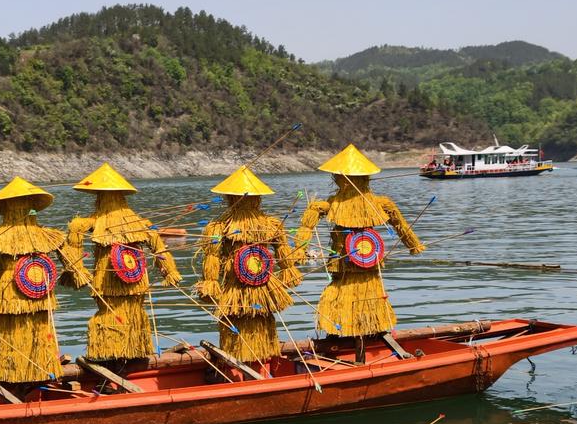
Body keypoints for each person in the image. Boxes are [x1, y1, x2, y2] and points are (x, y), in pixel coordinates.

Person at [0, 178, 88, 386]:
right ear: (33, 207)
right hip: (37, 289)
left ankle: (13, 371)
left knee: (11, 330)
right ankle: (41, 369)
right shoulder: (49, 235)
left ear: (4, 207)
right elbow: (72, 263)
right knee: (38, 327)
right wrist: (77, 274)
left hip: (10, 292)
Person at [293, 145, 423, 360]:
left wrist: (298, 251)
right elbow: (400, 223)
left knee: (352, 296)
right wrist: (413, 245)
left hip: (362, 263)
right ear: (367, 177)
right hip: (354, 265)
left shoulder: (329, 204)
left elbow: (308, 223)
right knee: (346, 296)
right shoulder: (376, 203)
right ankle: (349, 340)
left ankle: (354, 341)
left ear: (337, 177)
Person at [62, 162, 182, 362]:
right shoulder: (138, 222)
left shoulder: (94, 221)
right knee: (133, 311)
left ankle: (113, 354)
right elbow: (158, 247)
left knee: (112, 311)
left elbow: (74, 232)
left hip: (109, 280)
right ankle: (132, 351)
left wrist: (77, 270)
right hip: (135, 280)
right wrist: (169, 271)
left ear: (98, 196)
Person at [194, 165, 303, 364]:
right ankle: (261, 363)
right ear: (258, 198)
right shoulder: (272, 224)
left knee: (244, 319)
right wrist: (289, 272)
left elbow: (212, 258)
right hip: (259, 284)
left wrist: (210, 283)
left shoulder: (218, 227)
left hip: (242, 286)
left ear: (229, 197)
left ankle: (241, 365)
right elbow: (285, 260)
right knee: (261, 316)